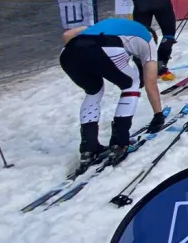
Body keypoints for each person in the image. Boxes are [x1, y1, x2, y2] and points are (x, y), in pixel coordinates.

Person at [59, 18, 166, 169]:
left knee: (93, 91)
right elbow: (151, 83)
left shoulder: (107, 25)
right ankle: (119, 142)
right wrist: (158, 115)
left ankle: (89, 148)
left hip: (69, 53)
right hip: (105, 46)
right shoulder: (148, 41)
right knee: (131, 84)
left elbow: (67, 35)